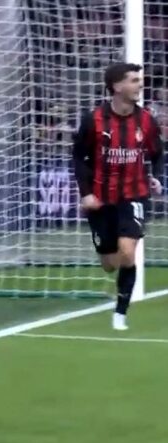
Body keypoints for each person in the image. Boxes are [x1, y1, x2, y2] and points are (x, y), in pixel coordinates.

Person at [72, 62, 164, 331]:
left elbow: (158, 154)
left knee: (127, 251)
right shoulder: (93, 120)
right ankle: (108, 257)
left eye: (139, 79)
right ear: (116, 86)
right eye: (134, 80)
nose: (140, 84)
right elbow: (78, 158)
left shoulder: (146, 120)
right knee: (110, 264)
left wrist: (157, 176)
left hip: (135, 194)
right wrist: (86, 194)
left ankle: (120, 313)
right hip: (101, 199)